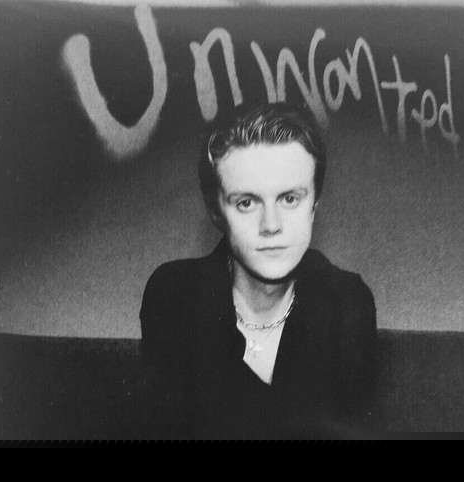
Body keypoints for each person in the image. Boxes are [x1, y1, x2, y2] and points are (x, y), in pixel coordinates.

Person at [140, 102, 378, 439]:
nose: (271, 225)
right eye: (247, 203)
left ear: (315, 205)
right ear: (216, 211)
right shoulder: (175, 294)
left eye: (290, 199)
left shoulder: (345, 302)